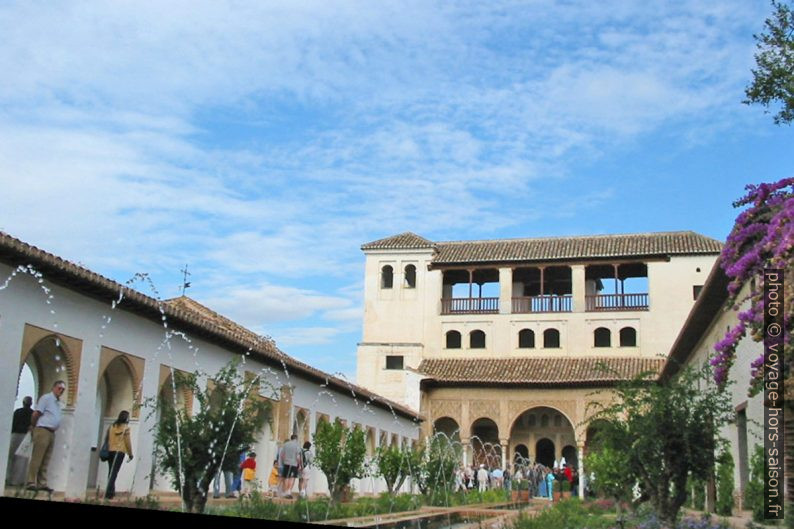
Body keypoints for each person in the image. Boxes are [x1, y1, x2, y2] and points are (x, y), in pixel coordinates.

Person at [26, 380, 66, 492]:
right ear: (54, 387)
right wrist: (33, 426)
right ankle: (31, 481)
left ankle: (42, 483)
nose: (61, 391)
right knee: (37, 457)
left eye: (63, 390)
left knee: (46, 458)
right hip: (43, 430)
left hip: (51, 432)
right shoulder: (46, 398)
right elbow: (36, 413)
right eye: (59, 388)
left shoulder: (58, 402)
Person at [104, 410, 134, 499]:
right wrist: (130, 454)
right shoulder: (126, 428)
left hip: (110, 451)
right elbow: (127, 442)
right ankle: (109, 492)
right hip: (119, 452)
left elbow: (107, 438)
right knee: (114, 472)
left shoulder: (112, 426)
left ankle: (111, 492)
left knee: (111, 471)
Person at [7, 396, 32, 486]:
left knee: (11, 458)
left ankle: (8, 479)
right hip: (25, 437)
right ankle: (18, 481)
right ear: (31, 404)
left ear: (23, 403)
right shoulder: (32, 413)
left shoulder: (17, 412)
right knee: (22, 460)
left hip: (15, 435)